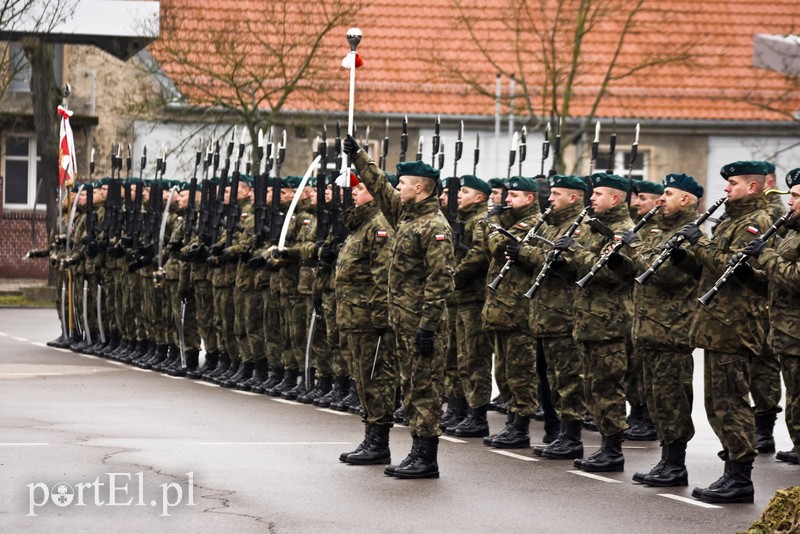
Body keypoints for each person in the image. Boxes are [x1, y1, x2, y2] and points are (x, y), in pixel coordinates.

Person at [345, 134, 455, 479]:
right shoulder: (406, 215)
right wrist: (360, 157)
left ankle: (426, 457)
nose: (398, 187)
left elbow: (441, 281)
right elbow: (379, 186)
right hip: (405, 322)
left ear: (420, 188)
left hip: (423, 324)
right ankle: (415, 452)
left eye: (404, 183)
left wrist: (428, 325)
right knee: (410, 386)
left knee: (424, 388)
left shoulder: (434, 226)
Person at [673, 160, 772, 504]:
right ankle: (731, 469)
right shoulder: (732, 219)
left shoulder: (757, 221)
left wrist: (698, 243)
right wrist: (683, 256)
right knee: (716, 404)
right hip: (717, 325)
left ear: (753, 187)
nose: (726, 190)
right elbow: (710, 267)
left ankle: (740, 477)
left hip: (735, 326)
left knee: (731, 403)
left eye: (732, 184)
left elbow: (731, 262)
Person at [615, 174, 704, 485]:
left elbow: (665, 275)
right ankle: (666, 461)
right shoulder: (658, 229)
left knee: (672, 401)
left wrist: (634, 246)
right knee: (656, 400)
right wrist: (621, 258)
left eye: (668, 193)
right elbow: (638, 270)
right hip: (650, 330)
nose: (661, 198)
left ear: (687, 200)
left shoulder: (690, 234)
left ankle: (675, 464)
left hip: (672, 332)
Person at [553, 172, 634, 472]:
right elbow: (581, 269)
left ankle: (612, 450)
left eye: (598, 194)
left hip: (608, 323)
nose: (592, 199)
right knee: (593, 389)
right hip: (589, 320)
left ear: (614, 198)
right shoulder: (592, 227)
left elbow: (604, 270)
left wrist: (573, 250)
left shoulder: (622, 230)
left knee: (608, 389)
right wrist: (562, 261)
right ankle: (603, 446)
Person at [512, 174, 589, 459]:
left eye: (556, 194)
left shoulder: (577, 226)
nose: (550, 198)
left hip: (564, 316)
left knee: (568, 381)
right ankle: (555, 431)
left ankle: (569, 436)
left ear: (573, 197)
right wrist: (520, 257)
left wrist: (527, 252)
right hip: (545, 316)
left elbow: (564, 265)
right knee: (550, 379)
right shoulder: (551, 224)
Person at [740, 167, 800, 466]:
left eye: (797, 196)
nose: (791, 202)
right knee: (794, 397)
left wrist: (766, 255)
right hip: (786, 332)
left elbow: (795, 277)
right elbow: (775, 281)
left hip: (796, 332)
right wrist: (749, 274)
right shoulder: (793, 233)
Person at [335, 177, 397, 465]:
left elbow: (382, 276)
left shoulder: (379, 225)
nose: (354, 192)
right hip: (354, 316)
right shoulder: (360, 224)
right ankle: (371, 436)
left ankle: (378, 441)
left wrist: (381, 317)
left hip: (370, 318)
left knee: (375, 379)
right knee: (362, 379)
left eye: (360, 188)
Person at [482, 176, 542, 449]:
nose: (506, 200)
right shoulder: (510, 221)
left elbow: (497, 247)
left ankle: (520, 427)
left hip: (519, 312)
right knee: (504, 373)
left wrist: (492, 221)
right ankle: (511, 423)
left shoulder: (532, 223)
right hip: (502, 311)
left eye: (514, 196)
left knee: (520, 374)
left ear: (530, 198)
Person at [449, 175, 493, 438]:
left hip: (474, 297)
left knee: (475, 358)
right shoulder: (461, 219)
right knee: (460, 357)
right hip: (460, 297)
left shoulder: (480, 220)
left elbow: (478, 254)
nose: (458, 195)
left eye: (464, 191)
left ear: (479, 197)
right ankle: (460, 408)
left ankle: (477, 415)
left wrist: (453, 276)